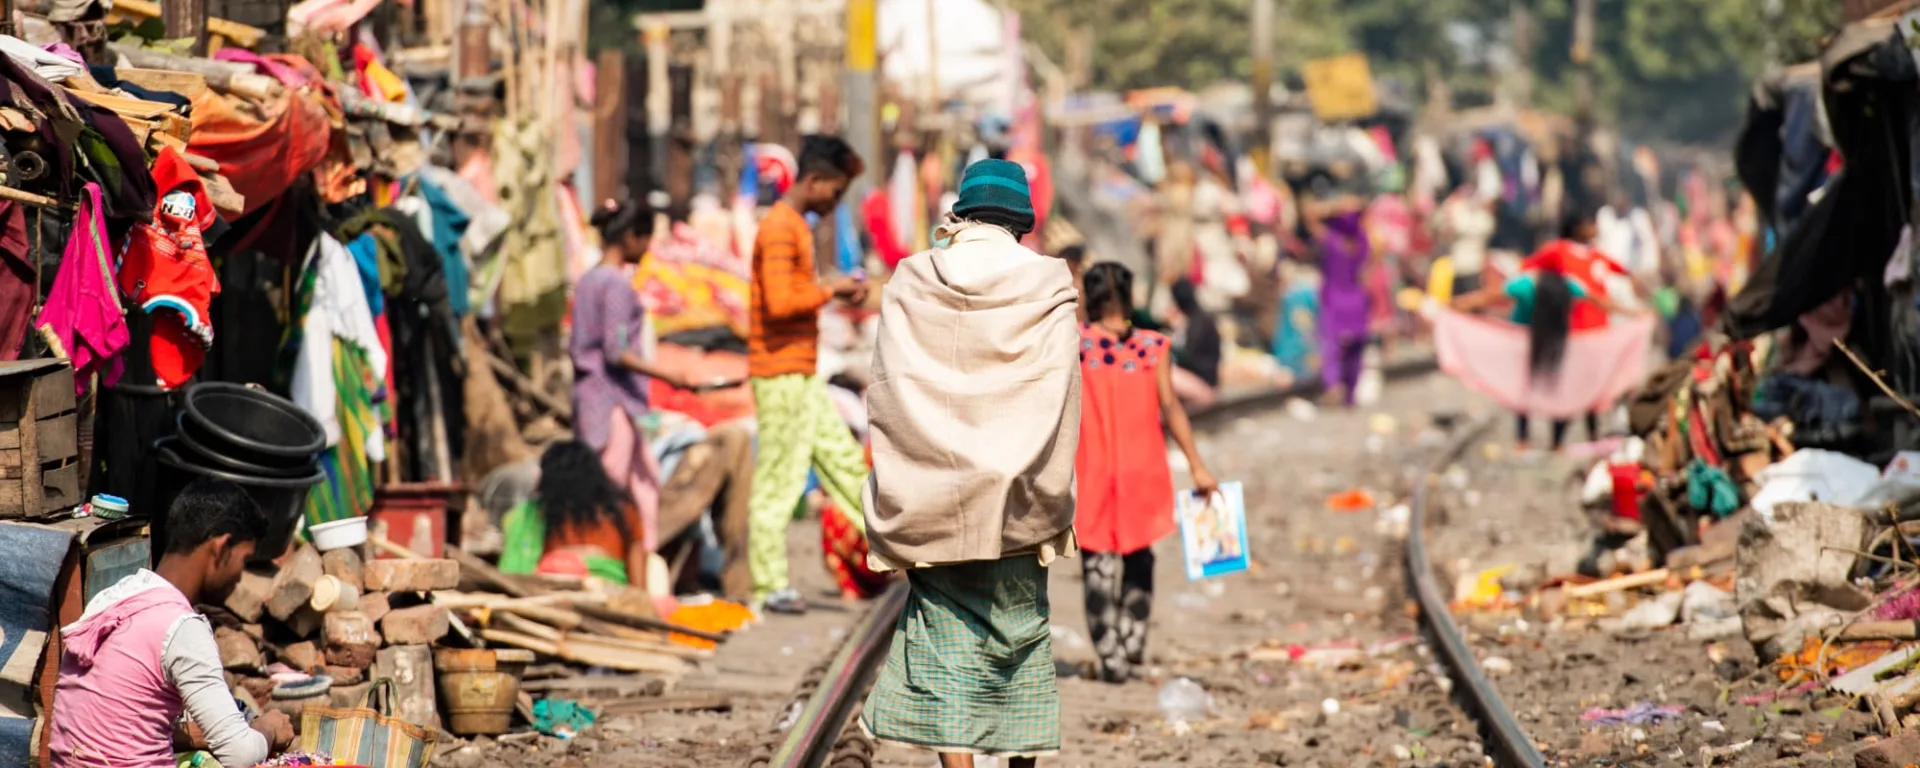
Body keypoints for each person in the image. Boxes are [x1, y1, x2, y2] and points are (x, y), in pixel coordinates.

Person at [859, 158, 1082, 767]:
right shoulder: (1049, 282)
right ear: (1020, 220)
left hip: (931, 493)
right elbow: (1060, 389)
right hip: (1018, 501)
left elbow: (888, 386)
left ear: (963, 211)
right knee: (1018, 644)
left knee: (947, 647)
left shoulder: (912, 278)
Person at [50, 480, 294, 768]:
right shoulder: (181, 627)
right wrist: (268, 728)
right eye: (244, 560)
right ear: (221, 547)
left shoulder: (118, 596)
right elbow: (239, 754)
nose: (240, 578)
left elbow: (121, 722)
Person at [1075, 261, 1218, 684]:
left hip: (1094, 471)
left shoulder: (1075, 343)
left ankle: (1111, 657)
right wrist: (1197, 465)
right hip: (1143, 471)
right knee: (1139, 556)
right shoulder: (1154, 346)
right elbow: (1171, 408)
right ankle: (1133, 638)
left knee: (1097, 564)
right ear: (1129, 296)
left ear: (1091, 297)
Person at [747, 134, 868, 613]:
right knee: (779, 479)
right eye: (836, 191)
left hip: (798, 370)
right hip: (779, 372)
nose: (837, 201)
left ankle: (897, 554)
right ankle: (768, 584)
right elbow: (779, 303)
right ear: (814, 180)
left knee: (844, 462)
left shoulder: (793, 225)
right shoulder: (781, 228)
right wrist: (829, 291)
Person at [572, 199, 696, 582]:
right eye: (646, 239)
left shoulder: (589, 279)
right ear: (630, 237)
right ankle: (617, 576)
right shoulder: (615, 285)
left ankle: (643, 575)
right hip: (611, 401)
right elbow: (616, 350)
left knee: (643, 481)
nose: (649, 250)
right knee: (614, 492)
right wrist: (666, 374)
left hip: (596, 397)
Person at [499, 440, 648, 585]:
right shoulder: (621, 511)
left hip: (553, 597)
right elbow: (638, 580)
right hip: (602, 596)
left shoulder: (540, 514)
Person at [1312, 196, 1373, 406]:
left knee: (1332, 346)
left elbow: (1310, 216)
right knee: (1355, 350)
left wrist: (1331, 208)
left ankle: (1333, 385)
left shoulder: (1331, 239)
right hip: (1356, 299)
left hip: (1334, 299)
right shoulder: (1362, 240)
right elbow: (1367, 273)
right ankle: (1350, 394)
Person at [1168, 278, 1222, 408]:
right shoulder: (1198, 318)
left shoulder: (1198, 322)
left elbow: (1189, 356)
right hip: (1204, 374)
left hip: (1204, 379)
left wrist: (1167, 347)